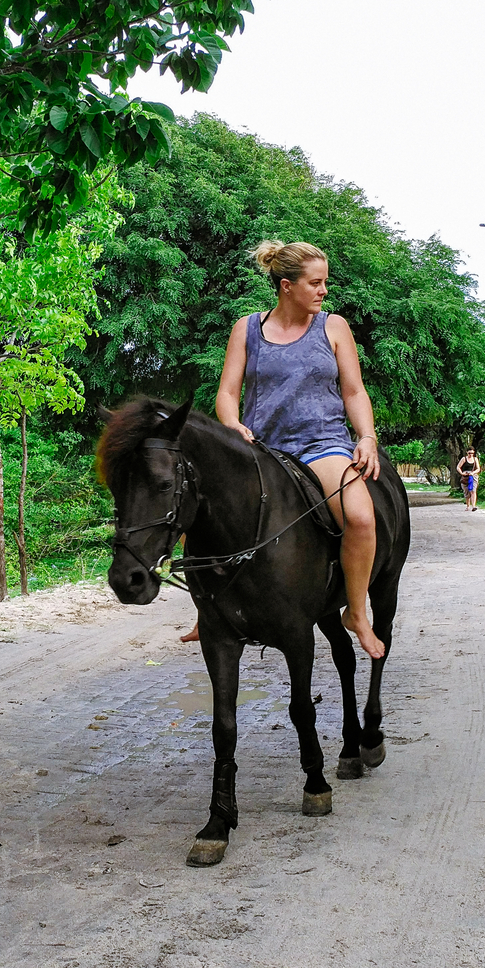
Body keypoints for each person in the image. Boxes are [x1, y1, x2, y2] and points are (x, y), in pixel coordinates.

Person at [181, 239, 386, 659]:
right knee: (194, 508)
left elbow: (353, 390)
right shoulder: (247, 328)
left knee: (362, 518)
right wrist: (233, 425)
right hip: (261, 449)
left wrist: (366, 436)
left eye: (325, 282)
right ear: (286, 286)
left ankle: (357, 613)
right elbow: (227, 393)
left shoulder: (334, 327)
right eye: (315, 283)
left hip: (321, 445)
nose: (324, 290)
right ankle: (209, 607)